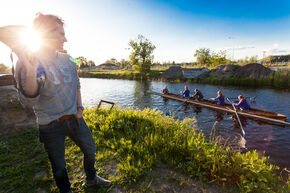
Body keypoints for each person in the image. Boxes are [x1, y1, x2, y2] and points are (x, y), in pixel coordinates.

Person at [3, 13, 111, 193]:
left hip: (75, 119)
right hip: (49, 125)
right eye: (60, 34)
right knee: (59, 165)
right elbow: (29, 103)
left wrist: (80, 109)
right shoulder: (26, 62)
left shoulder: (69, 59)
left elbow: (77, 80)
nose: (65, 39)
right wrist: (30, 71)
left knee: (90, 149)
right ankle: (66, 191)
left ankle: (91, 179)